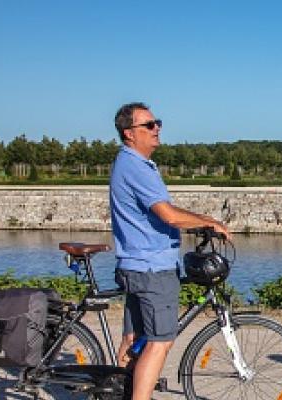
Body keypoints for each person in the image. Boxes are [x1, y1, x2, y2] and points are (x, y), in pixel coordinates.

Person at [109, 102, 232, 400]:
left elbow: (165, 211)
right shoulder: (136, 166)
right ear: (129, 133)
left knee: (133, 337)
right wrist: (210, 223)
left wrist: (200, 221)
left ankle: (116, 392)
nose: (157, 128)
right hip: (153, 269)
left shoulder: (128, 162)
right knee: (159, 342)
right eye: (149, 125)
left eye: (157, 122)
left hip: (134, 265)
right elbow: (169, 215)